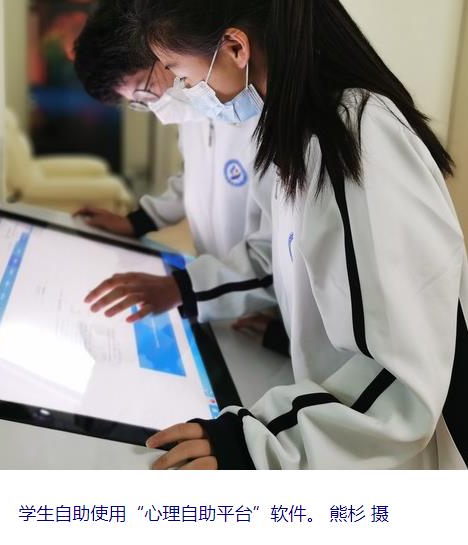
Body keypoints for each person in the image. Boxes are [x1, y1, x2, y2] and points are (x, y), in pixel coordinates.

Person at [96, 0, 467, 470]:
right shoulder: (297, 135)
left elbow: (401, 383)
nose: (187, 92)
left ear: (235, 48)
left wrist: (253, 444)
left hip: (401, 458)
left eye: (182, 74)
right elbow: (288, 259)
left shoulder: (353, 136)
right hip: (345, 437)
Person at [73, 0, 288, 353]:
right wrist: (139, 221)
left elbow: (278, 252)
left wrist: (182, 289)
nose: (155, 107)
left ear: (164, 49)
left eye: (144, 91)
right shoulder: (201, 106)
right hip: (226, 292)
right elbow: (195, 177)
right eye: (138, 102)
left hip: (274, 304)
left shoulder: (250, 104)